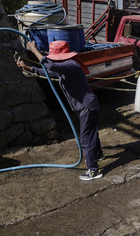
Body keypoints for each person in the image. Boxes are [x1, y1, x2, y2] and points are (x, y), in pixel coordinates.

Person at [17, 40, 104, 180]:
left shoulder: (71, 65)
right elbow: (49, 72)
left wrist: (33, 49)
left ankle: (93, 170)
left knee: (86, 139)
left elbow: (49, 65)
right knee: (91, 133)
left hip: (87, 106)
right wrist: (28, 68)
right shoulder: (66, 67)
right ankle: (98, 154)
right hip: (87, 105)